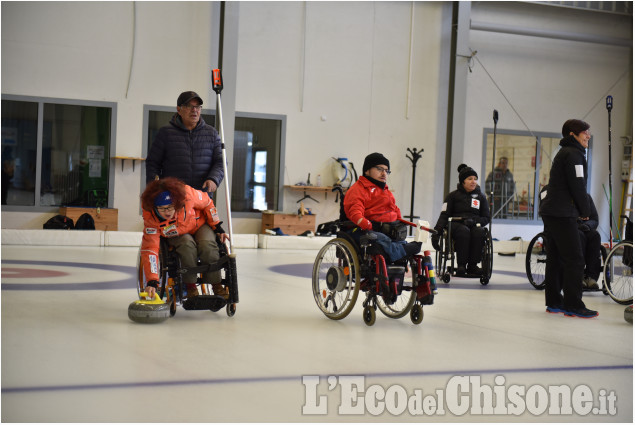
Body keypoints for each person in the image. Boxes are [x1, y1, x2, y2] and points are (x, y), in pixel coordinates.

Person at [539, 119, 598, 318]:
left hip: (553, 211)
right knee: (575, 258)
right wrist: (585, 209)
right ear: (572, 134)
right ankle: (573, 304)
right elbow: (578, 185)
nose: (588, 135)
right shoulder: (573, 154)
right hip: (562, 213)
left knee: (556, 257)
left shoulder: (566, 152)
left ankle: (555, 302)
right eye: (584, 132)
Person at [140, 177, 229, 299]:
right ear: (154, 207)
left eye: (170, 206)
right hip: (176, 234)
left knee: (207, 244)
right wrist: (152, 280)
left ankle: (216, 284)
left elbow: (207, 202)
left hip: (199, 225)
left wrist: (217, 225)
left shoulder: (187, 194)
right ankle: (190, 286)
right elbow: (150, 248)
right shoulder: (151, 219)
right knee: (187, 245)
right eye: (162, 208)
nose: (167, 212)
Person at [343, 152, 422, 262]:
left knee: (397, 239)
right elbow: (355, 211)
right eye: (379, 169)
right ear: (367, 170)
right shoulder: (358, 189)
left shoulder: (385, 190)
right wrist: (367, 224)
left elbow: (394, 209)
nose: (384, 173)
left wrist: (399, 222)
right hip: (364, 229)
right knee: (381, 239)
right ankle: (402, 252)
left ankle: (401, 253)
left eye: (387, 170)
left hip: (386, 228)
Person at [145, 91, 224, 193]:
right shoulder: (165, 133)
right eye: (188, 106)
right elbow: (153, 163)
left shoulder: (212, 133)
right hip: (174, 196)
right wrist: (155, 189)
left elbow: (220, 161)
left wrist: (214, 179)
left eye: (198, 106)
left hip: (201, 196)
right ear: (179, 109)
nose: (194, 110)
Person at [431, 164, 490, 276]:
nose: (473, 182)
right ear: (463, 181)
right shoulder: (452, 196)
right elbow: (444, 215)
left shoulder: (481, 197)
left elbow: (486, 217)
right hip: (456, 224)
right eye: (470, 179)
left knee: (479, 232)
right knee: (463, 231)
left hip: (474, 224)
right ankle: (461, 266)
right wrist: (437, 232)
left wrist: (475, 221)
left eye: (475, 179)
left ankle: (473, 266)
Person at [579, 194, 601, 290]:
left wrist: (587, 225)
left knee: (595, 236)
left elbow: (595, 219)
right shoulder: (566, 195)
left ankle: (590, 276)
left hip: (585, 228)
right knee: (580, 236)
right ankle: (578, 276)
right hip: (571, 229)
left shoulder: (586, 197)